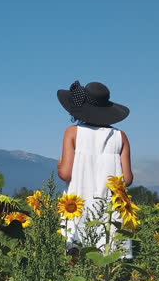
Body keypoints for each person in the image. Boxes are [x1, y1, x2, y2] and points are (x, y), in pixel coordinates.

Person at [55, 80, 133, 256]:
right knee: (110, 257)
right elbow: (126, 180)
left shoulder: (73, 132)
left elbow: (66, 174)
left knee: (77, 257)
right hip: (110, 210)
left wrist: (59, 165)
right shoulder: (120, 136)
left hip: (79, 206)